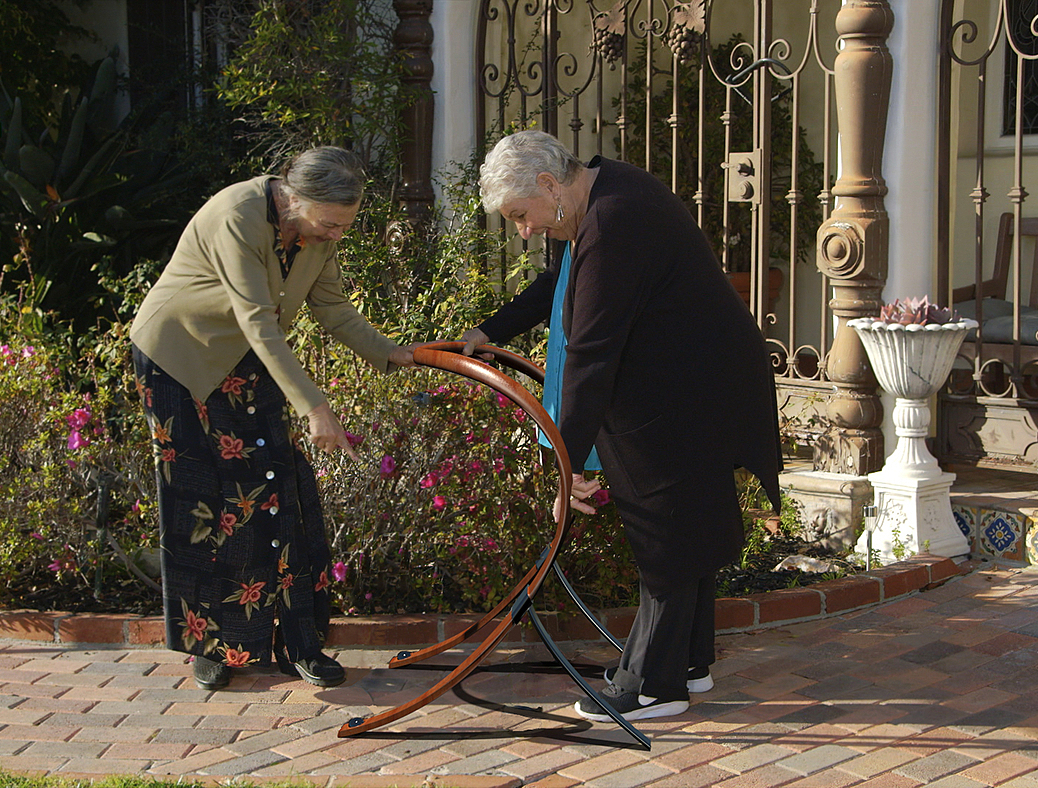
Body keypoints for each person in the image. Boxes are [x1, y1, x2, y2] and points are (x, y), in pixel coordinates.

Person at [460, 130, 781, 722]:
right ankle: (686, 661)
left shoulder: (612, 224)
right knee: (687, 522)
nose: (523, 230)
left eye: (520, 215)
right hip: (698, 381)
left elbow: (590, 356)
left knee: (663, 527)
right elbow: (556, 287)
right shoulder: (605, 193)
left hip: (689, 392)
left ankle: (655, 686)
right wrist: (492, 331)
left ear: (549, 185)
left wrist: (563, 464)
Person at [131, 147, 416, 691]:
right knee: (201, 502)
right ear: (294, 197)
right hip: (179, 359)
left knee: (278, 488)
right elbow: (257, 318)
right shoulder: (236, 215)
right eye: (331, 222)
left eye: (345, 226)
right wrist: (315, 406)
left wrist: (389, 351)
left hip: (245, 357)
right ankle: (212, 648)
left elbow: (330, 306)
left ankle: (299, 643)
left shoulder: (313, 233)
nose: (336, 234)